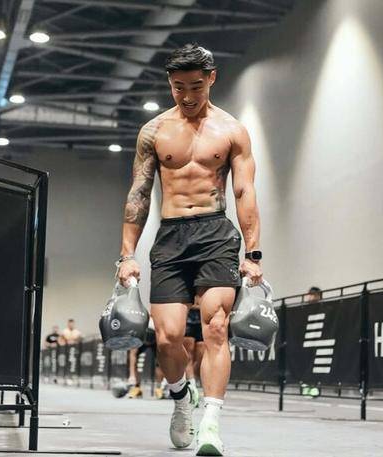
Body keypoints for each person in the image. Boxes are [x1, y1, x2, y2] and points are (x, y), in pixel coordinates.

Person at [117, 43, 263, 456]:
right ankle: (182, 398)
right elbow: (138, 194)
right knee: (168, 337)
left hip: (216, 233)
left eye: (196, 86)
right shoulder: (154, 131)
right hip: (170, 236)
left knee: (216, 326)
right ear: (169, 83)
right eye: (178, 87)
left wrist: (253, 254)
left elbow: (244, 190)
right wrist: (127, 255)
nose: (187, 95)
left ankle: (211, 424)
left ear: (212, 78)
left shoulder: (232, 130)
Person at [301, 287, 323, 398]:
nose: (311, 297)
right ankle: (305, 386)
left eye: (313, 295)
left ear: (319, 296)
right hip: (305, 343)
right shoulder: (303, 310)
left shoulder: (323, 308)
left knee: (316, 365)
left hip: (317, 341)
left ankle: (315, 388)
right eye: (310, 295)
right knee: (305, 363)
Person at [183, 305, 205, 408]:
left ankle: (190, 381)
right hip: (188, 314)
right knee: (189, 356)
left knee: (201, 357)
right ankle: (193, 390)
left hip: (203, 314)